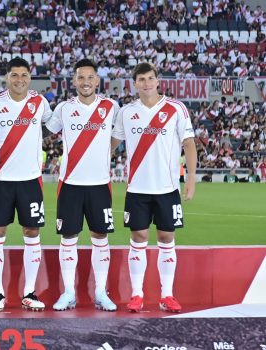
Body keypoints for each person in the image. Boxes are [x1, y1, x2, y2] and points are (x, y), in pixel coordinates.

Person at [111, 62, 197, 313]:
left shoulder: (176, 109)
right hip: (137, 188)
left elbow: (189, 144)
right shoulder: (126, 112)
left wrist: (191, 178)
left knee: (166, 238)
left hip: (167, 189)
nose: (146, 83)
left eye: (150, 78)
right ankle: (137, 294)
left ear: (158, 80)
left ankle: (167, 295)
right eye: (141, 79)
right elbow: (113, 143)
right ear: (135, 83)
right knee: (138, 238)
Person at [43, 59, 120, 312]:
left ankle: (100, 292)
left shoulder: (111, 107)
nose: (85, 82)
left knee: (100, 237)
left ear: (97, 80)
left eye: (90, 78)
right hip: (70, 184)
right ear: (74, 81)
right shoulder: (64, 108)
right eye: (81, 78)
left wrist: (101, 156)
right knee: (68, 238)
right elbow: (43, 132)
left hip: (100, 184)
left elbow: (118, 136)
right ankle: (68, 293)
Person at [0, 57, 52, 312]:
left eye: (24, 75)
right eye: (14, 75)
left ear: (29, 77)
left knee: (32, 233)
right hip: (1, 181)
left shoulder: (40, 103)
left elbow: (53, 126)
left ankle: (29, 292)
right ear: (7, 77)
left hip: (30, 181)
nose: (19, 79)